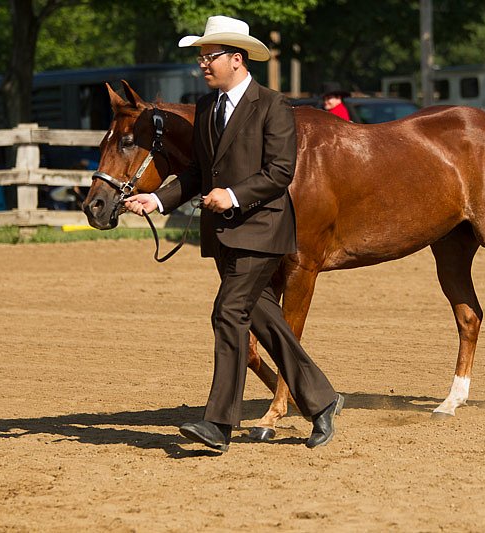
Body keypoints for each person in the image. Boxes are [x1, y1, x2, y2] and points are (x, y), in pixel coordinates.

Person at [123, 15, 343, 453]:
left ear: (236, 59)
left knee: (228, 314)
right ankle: (322, 400)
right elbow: (197, 173)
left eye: (209, 57)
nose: (202, 65)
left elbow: (280, 173)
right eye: (201, 57)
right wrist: (159, 201)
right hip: (223, 237)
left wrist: (234, 195)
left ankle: (218, 423)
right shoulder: (206, 108)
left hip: (262, 230)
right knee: (265, 319)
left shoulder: (273, 106)